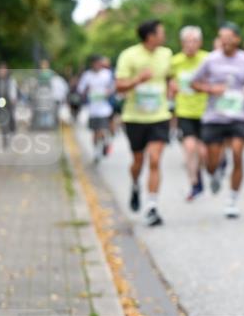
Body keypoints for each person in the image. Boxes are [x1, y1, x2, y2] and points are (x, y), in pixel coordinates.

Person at [190, 22, 244, 219]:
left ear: (237, 39)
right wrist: (211, 89)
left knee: (238, 153)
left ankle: (232, 200)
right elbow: (194, 82)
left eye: (228, 37)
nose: (224, 41)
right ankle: (214, 173)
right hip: (214, 116)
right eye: (221, 37)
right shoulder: (210, 60)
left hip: (237, 116)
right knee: (212, 161)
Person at [115, 19, 173, 227]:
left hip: (159, 116)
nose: (164, 36)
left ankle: (152, 207)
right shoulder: (129, 55)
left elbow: (170, 77)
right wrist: (138, 80)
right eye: (161, 32)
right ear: (150, 36)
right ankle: (135, 184)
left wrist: (172, 87)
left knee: (155, 159)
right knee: (138, 161)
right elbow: (119, 86)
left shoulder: (166, 54)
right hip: (135, 118)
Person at [170, 26, 210, 200]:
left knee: (203, 153)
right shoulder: (175, 61)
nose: (190, 45)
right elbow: (169, 80)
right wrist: (171, 87)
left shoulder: (207, 59)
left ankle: (203, 175)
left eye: (194, 41)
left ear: (200, 43)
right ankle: (194, 184)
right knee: (189, 148)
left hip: (205, 111)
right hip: (184, 110)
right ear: (182, 43)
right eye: (187, 41)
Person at [77, 55, 115, 163]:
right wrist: (86, 91)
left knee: (102, 130)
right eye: (95, 63)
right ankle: (96, 151)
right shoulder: (87, 75)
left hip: (104, 108)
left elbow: (113, 87)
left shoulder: (107, 74)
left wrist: (108, 92)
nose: (97, 65)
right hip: (92, 109)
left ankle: (105, 142)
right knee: (95, 132)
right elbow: (80, 89)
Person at [0, 62, 18, 144]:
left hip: (8, 100)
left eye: (3, 70)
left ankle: (12, 128)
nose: (2, 72)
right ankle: (4, 134)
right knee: (0, 116)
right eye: (0, 70)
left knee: (11, 115)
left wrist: (13, 98)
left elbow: (13, 89)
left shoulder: (10, 79)